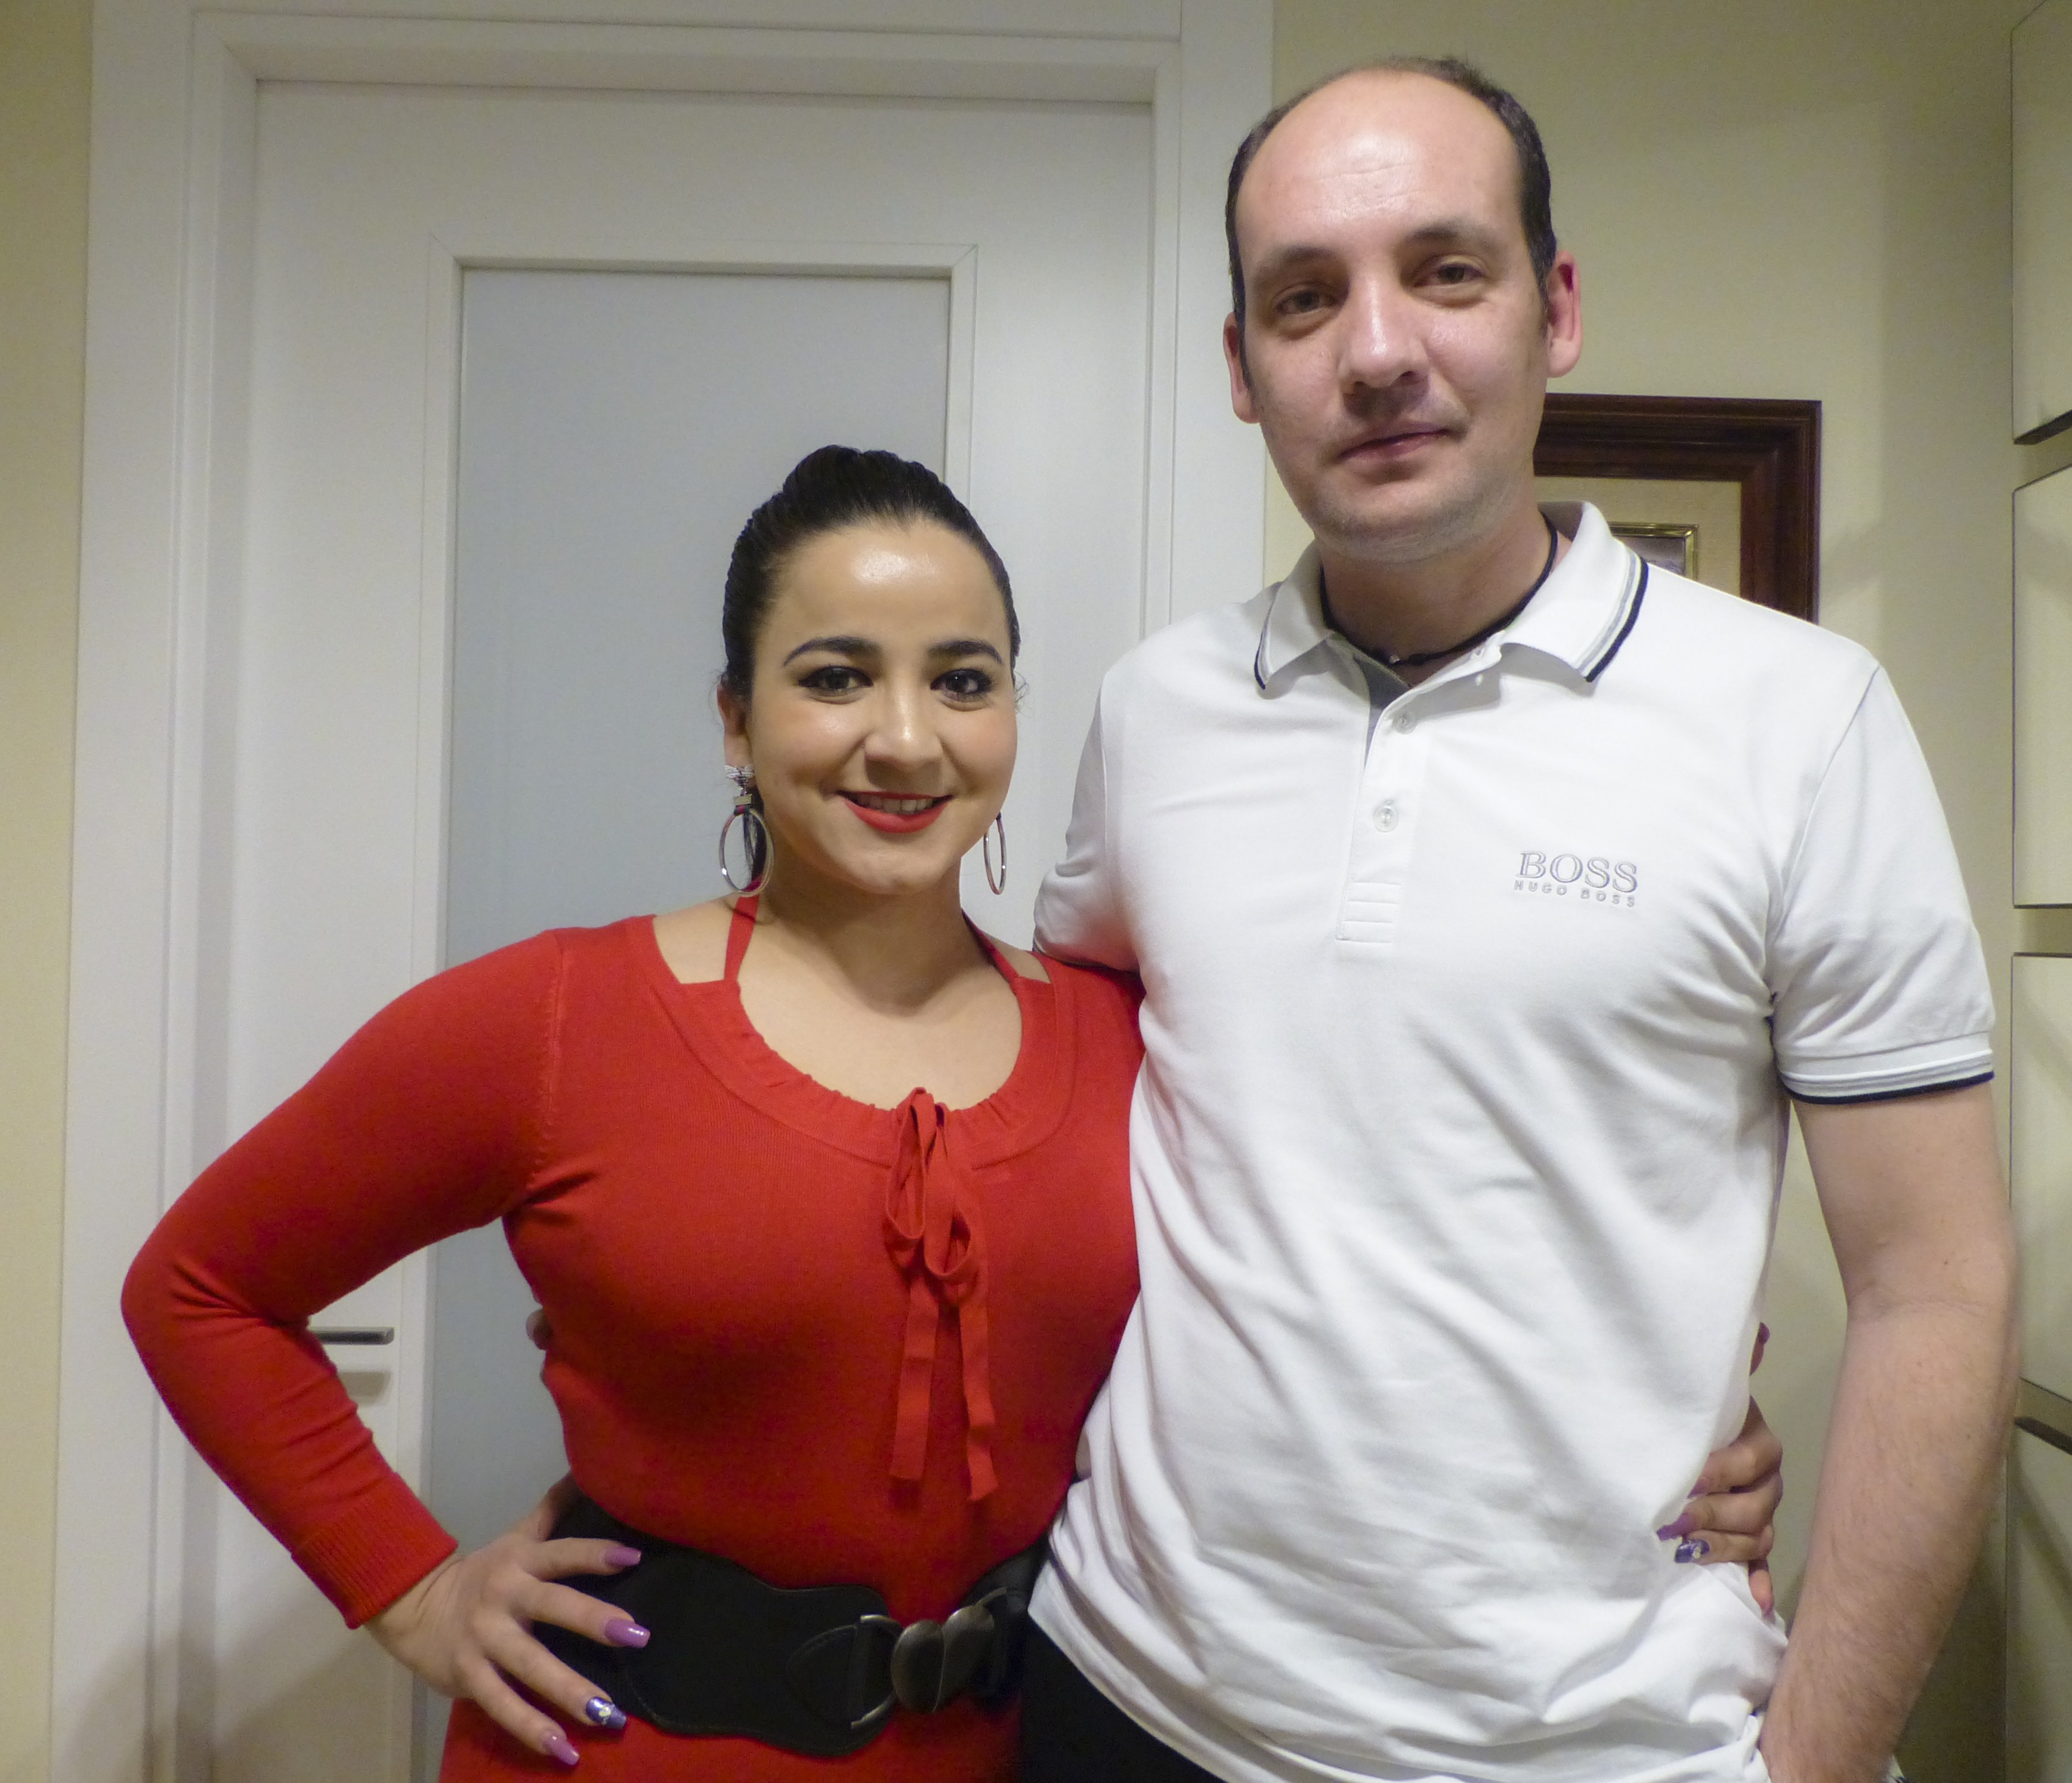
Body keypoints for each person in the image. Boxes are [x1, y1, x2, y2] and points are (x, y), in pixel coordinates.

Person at [123, 444, 1782, 1779]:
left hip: (1042, 1743)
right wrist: (413, 1589)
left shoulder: (1121, 1034)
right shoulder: (557, 1021)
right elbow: (200, 1288)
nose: (905, 739)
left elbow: (1361, 1264)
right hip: (635, 1749)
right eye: (836, 676)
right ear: (735, 717)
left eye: (963, 680)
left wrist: (1662, 1431)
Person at [1019, 58, 2017, 1783]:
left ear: (1553, 310)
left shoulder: (1797, 718)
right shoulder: (1154, 711)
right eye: (1304, 298)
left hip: (1600, 1743)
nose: (1377, 349)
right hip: (1131, 1698)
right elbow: (1032, 1124)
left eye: (1446, 270)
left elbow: (1937, 1285)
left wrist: (1816, 1763)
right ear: (1240, 369)